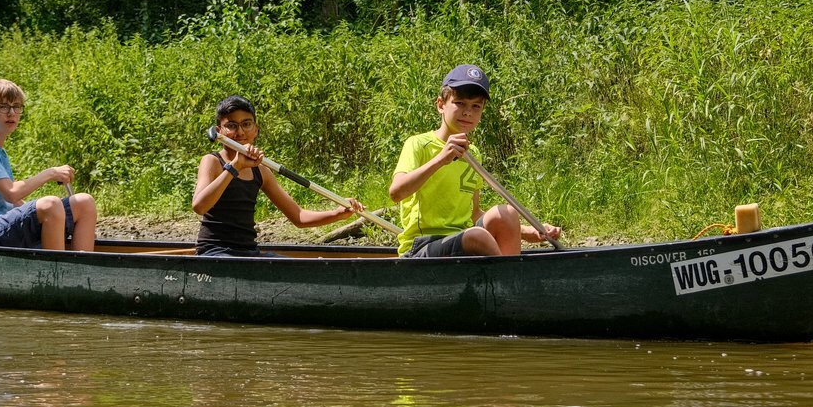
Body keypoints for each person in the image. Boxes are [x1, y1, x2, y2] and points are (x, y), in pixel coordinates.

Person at [389, 64, 561, 257]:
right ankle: (509, 282)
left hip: (462, 237)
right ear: (440, 105)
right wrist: (440, 159)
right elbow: (396, 193)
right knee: (477, 236)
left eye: (475, 106)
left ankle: (507, 278)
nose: (467, 112)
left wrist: (526, 232)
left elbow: (474, 213)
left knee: (506, 213)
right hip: (421, 246)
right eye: (460, 103)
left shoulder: (473, 154)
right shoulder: (418, 144)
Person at [192, 95, 363, 256]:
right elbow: (200, 206)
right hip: (215, 251)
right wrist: (235, 166)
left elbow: (299, 217)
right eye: (231, 126)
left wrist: (337, 214)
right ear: (219, 130)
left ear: (256, 130)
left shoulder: (261, 169)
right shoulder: (213, 161)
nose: (240, 132)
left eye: (246, 124)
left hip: (249, 252)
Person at [0, 79, 97, 251]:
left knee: (84, 202)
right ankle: (57, 274)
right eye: (3, 107)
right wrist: (51, 173)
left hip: (0, 226)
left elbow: (15, 203)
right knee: (50, 204)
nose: (12, 113)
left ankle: (83, 269)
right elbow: (11, 193)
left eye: (16, 107)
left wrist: (58, 219)